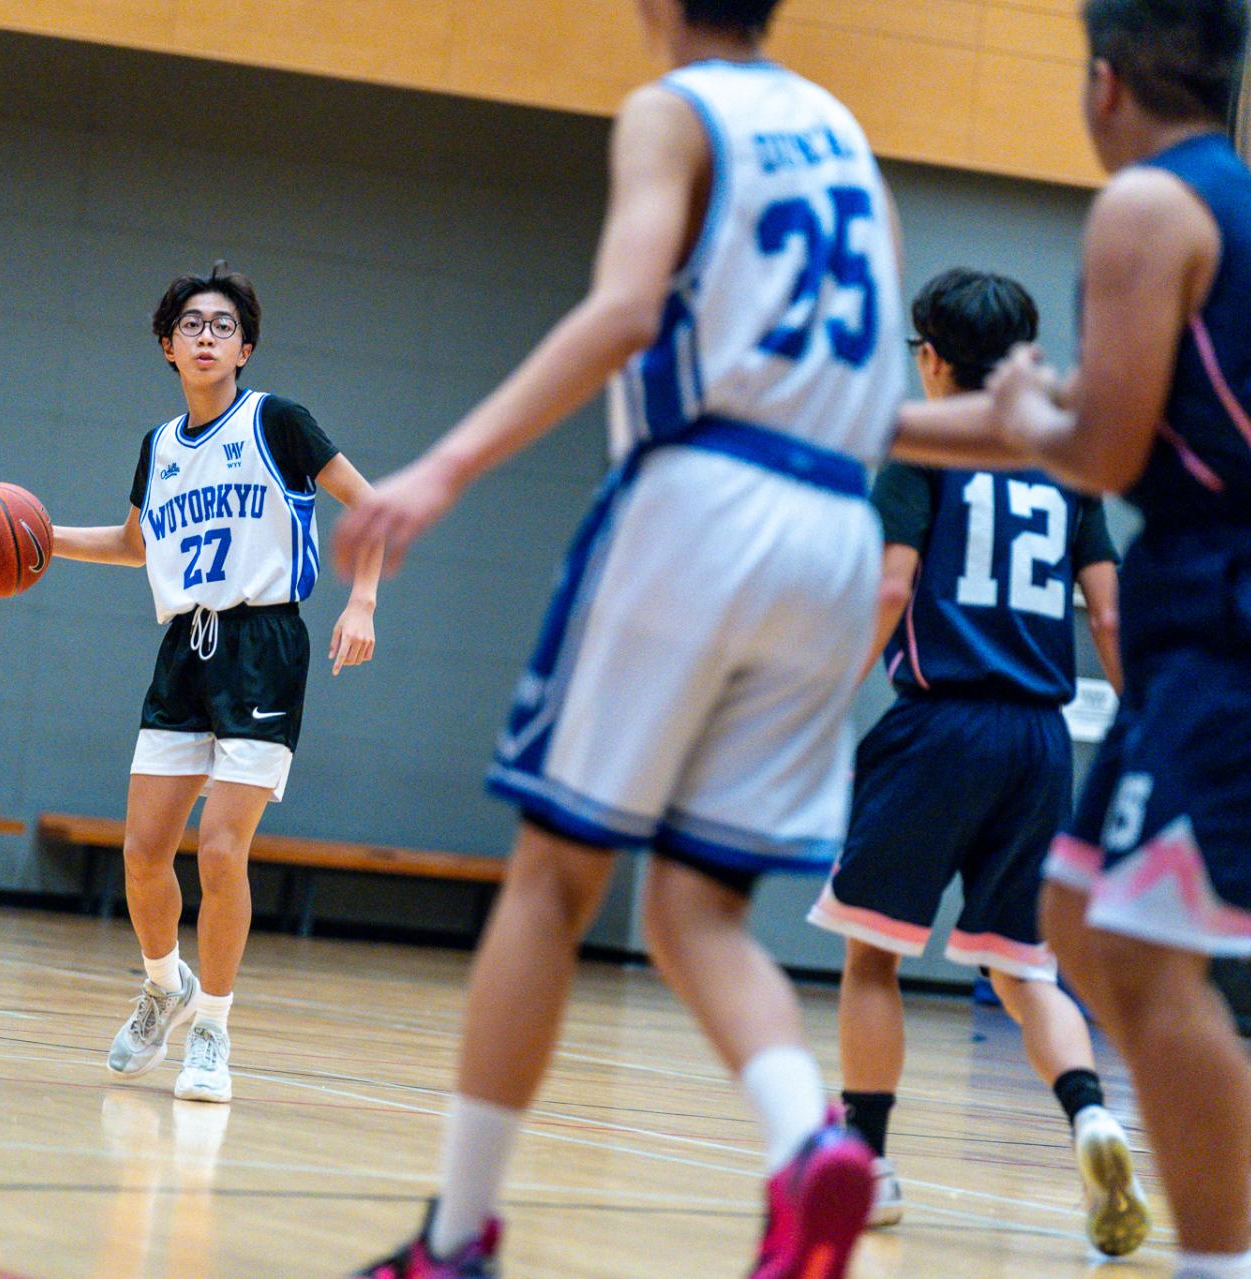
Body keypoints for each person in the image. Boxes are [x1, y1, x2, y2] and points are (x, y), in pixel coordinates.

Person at [331, 0, 908, 1271]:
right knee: (699, 905)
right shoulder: (845, 134)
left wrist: (446, 465)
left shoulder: (673, 112)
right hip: (838, 526)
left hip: (702, 500)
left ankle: (458, 1234)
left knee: (553, 877)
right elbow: (875, 386)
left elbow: (625, 314)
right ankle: (809, 1137)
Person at [898, 4, 1251, 1278]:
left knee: (1138, 947)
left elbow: (1096, 450)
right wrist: (870, 422)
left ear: (1104, 82)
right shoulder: (1244, 202)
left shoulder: (1141, 212)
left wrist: (1016, 408)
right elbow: (1088, 415)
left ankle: (1222, 1259)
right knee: (1072, 911)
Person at [808, 267, 1149, 1256]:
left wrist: (823, 699)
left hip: (938, 731)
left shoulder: (920, 454)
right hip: (1041, 748)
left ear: (934, 358)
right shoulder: (1070, 469)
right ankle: (1091, 1115)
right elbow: (1112, 612)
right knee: (1023, 967)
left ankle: (867, 1161)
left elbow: (889, 585)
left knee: (873, 953)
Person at [53, 264, 384, 1103]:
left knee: (222, 849)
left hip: (264, 643)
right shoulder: (160, 446)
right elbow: (136, 545)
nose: (207, 335)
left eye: (223, 323)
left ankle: (215, 1032)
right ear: (167, 346)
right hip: (184, 649)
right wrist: (40, 536)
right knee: (141, 855)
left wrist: (363, 603)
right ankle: (167, 985)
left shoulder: (277, 422)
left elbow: (368, 505)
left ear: (246, 345)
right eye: (191, 324)